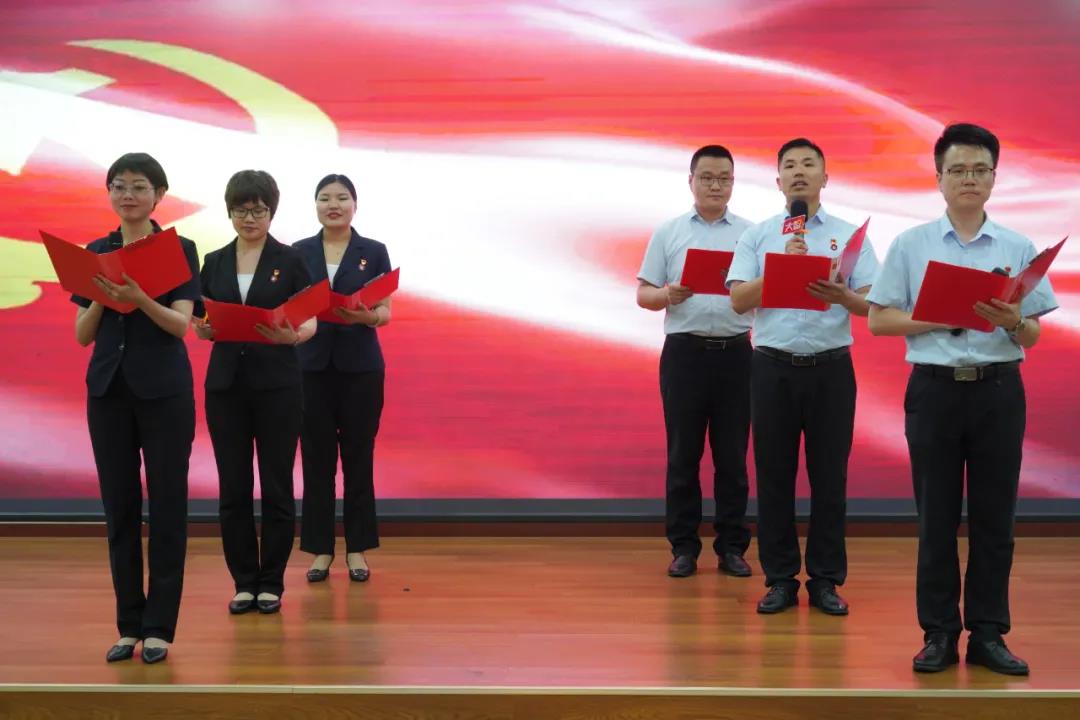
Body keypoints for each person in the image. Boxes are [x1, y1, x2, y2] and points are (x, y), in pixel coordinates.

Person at [867, 123, 1057, 676]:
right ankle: (939, 633)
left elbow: (1032, 335)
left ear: (994, 178)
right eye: (957, 170)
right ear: (939, 178)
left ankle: (989, 634)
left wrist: (1013, 320)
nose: (968, 178)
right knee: (937, 519)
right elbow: (879, 320)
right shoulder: (911, 244)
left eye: (979, 170)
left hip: (998, 391)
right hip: (935, 391)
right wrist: (939, 316)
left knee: (996, 519)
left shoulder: (1016, 246)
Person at [727, 138, 878, 616]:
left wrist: (842, 295)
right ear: (778, 181)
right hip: (772, 366)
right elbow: (738, 300)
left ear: (825, 177)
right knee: (774, 476)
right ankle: (780, 579)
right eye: (789, 165)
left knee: (830, 477)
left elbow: (872, 305)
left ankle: (826, 579)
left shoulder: (850, 237)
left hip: (831, 368)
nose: (799, 171)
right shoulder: (759, 236)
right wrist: (781, 271)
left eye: (809, 164)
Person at [73, 152, 201, 664]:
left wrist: (139, 296)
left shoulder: (180, 249)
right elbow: (83, 335)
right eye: (119, 186)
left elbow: (181, 326)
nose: (128, 195)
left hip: (165, 393)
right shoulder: (96, 251)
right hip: (108, 392)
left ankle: (159, 628)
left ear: (159, 195)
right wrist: (101, 295)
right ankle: (128, 625)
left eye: (139, 186)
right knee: (119, 509)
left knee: (167, 506)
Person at [195, 170, 316, 615]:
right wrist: (203, 329)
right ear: (230, 212)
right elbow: (203, 315)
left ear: (272, 212)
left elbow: (310, 318)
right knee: (234, 486)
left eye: (259, 209)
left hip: (278, 385)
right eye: (241, 209)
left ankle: (272, 582)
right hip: (226, 386)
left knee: (277, 484)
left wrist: (294, 336)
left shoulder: (292, 259)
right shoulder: (214, 261)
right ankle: (244, 581)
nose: (250, 218)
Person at [636, 145, 755, 579]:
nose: (715, 186)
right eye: (707, 177)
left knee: (733, 458)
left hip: (737, 354)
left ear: (733, 183)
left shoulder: (752, 234)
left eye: (724, 178)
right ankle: (683, 547)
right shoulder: (669, 232)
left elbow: (766, 292)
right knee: (683, 455)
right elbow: (643, 294)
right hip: (684, 355)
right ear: (691, 181)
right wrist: (668, 294)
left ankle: (732, 548)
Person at [294, 174, 392, 583]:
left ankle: (357, 549)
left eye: (341, 198)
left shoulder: (374, 251)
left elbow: (384, 312)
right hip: (310, 367)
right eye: (324, 198)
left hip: (360, 368)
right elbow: (291, 307)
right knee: (316, 460)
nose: (332, 205)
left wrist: (367, 316)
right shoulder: (298, 252)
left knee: (358, 457)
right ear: (315, 205)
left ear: (355, 204)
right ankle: (320, 550)